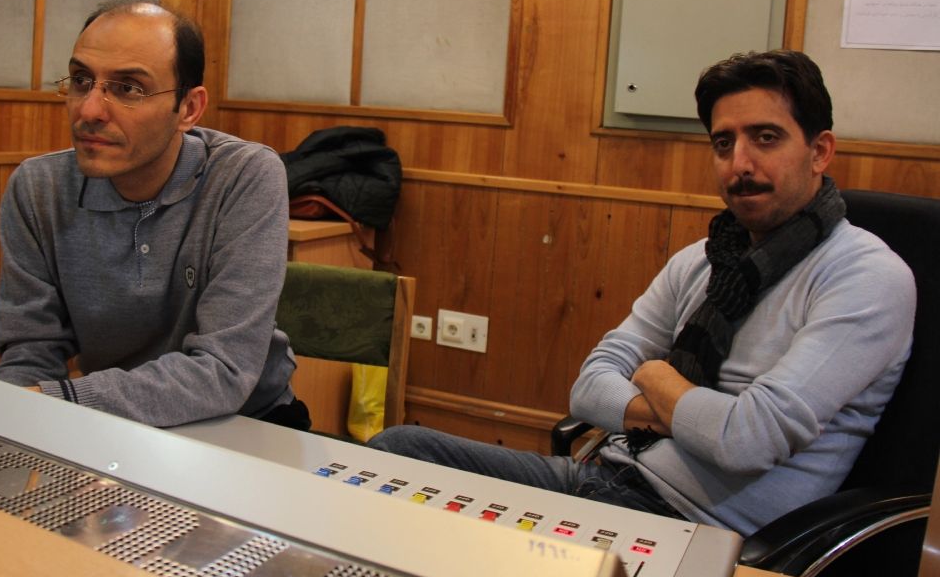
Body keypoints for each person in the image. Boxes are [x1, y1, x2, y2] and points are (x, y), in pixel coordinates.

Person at [368, 49, 915, 536]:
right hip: (601, 477)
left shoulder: (865, 277)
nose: (740, 164)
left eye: (766, 138)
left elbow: (746, 440)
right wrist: (690, 416)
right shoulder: (702, 260)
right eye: (723, 143)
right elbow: (590, 386)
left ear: (820, 151)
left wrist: (656, 377)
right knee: (396, 453)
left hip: (696, 528)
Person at [0, 0, 309, 430]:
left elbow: (224, 369)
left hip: (247, 421)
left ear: (189, 109)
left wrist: (58, 402)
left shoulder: (243, 176)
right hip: (114, 422)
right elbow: (30, 354)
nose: (89, 110)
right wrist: (6, 421)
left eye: (128, 89)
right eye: (82, 81)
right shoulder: (38, 188)